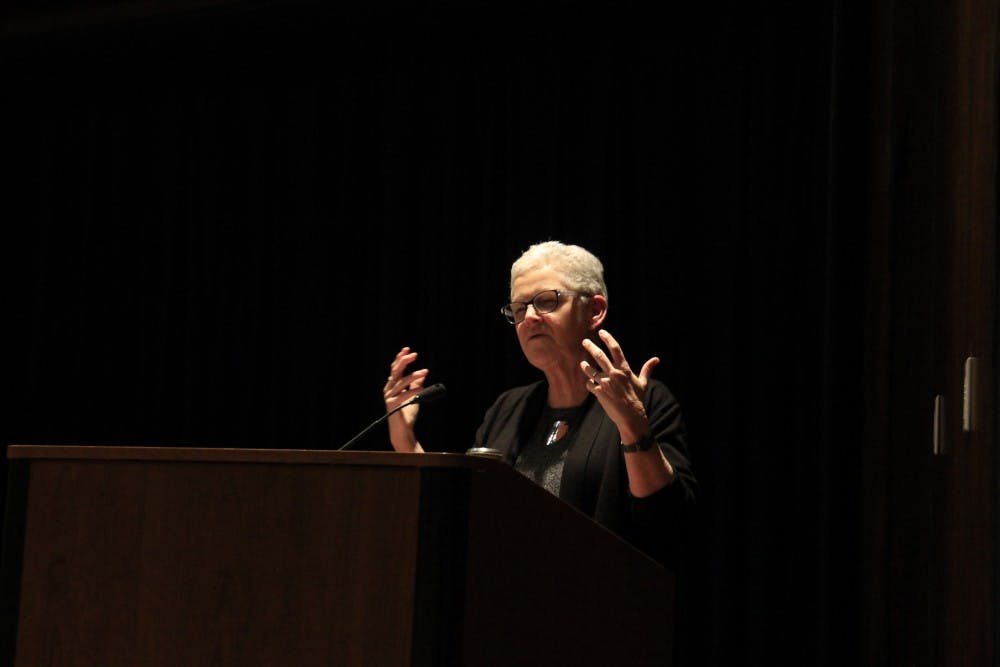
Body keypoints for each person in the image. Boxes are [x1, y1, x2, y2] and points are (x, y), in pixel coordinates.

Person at [381, 240, 695, 566]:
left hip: (601, 604)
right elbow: (462, 516)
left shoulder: (646, 400)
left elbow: (665, 521)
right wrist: (405, 440)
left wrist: (632, 425)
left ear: (595, 310)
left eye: (546, 302)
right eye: (519, 309)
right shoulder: (508, 409)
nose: (529, 317)